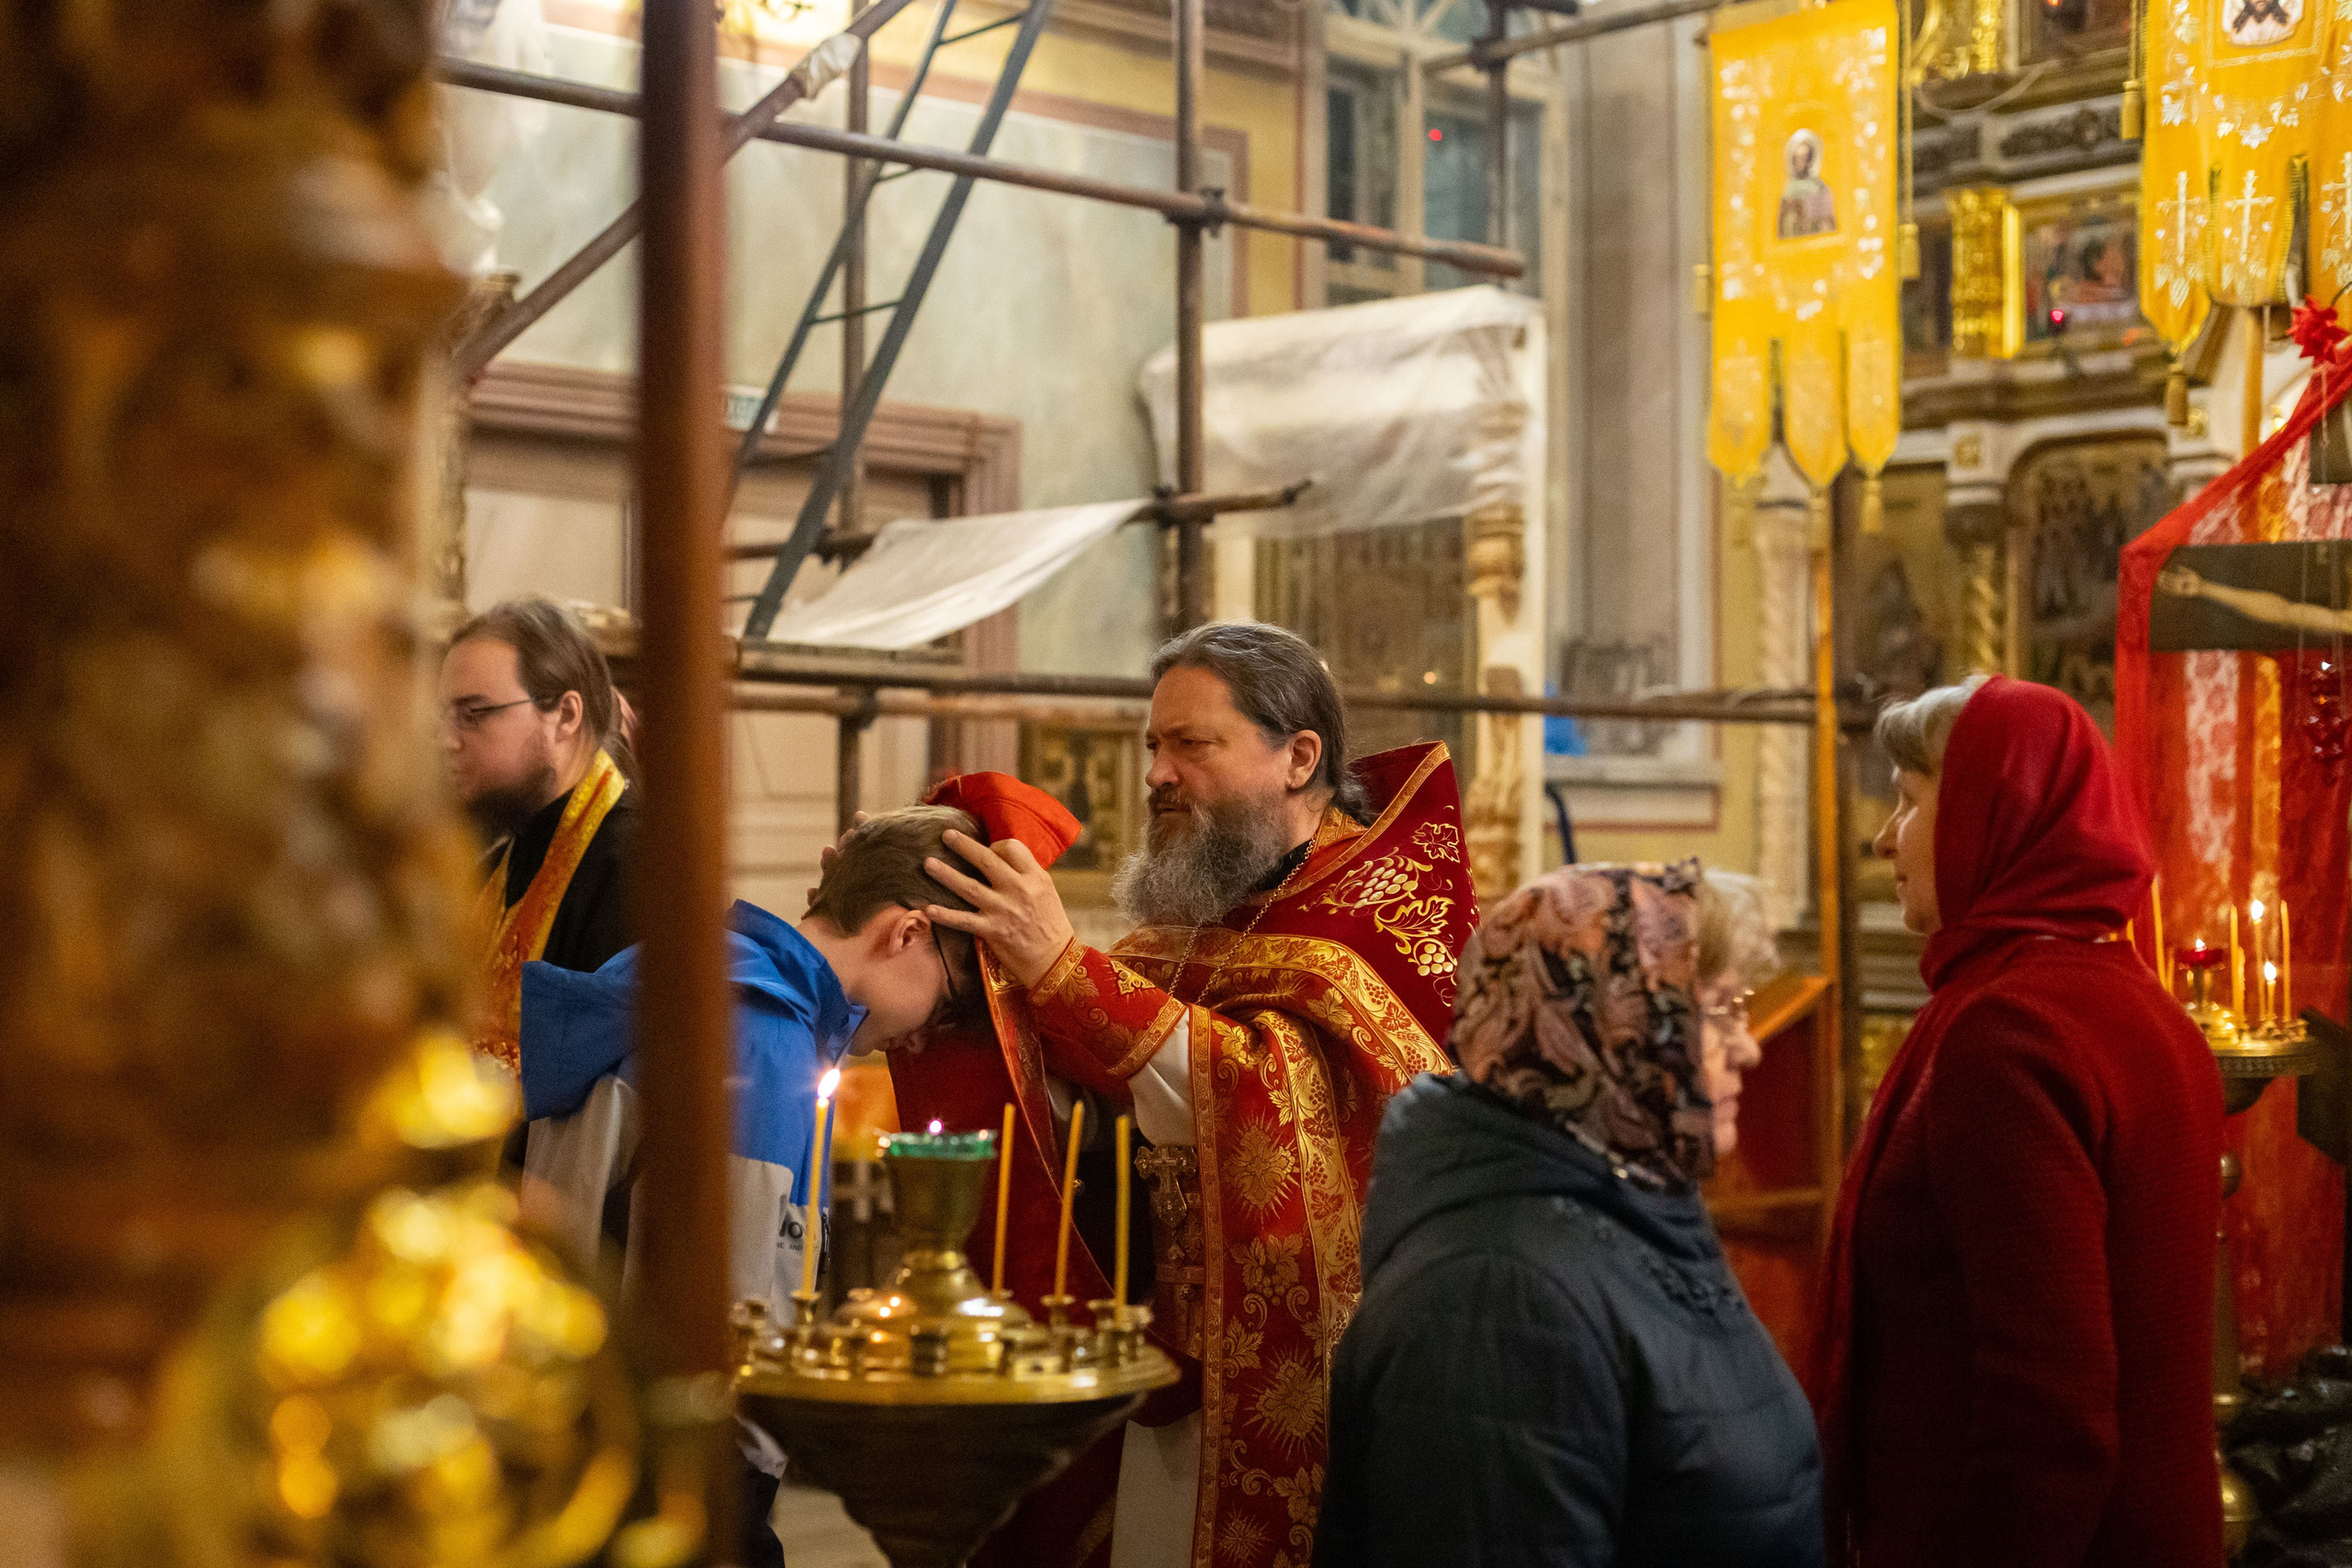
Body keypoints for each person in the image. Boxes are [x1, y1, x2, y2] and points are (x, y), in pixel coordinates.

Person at [907, 622, 1478, 1568]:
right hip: (1154, 1359)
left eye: (1191, 745)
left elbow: (1270, 1090)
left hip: (1300, 1376)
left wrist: (1063, 973)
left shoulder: (1378, 924)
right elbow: (1082, 1099)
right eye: (1152, 746)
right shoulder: (1190, 924)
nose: (1157, 775)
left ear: (1297, 759)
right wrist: (946, 960)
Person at [1815, 674, 2224, 1567]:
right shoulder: (2134, 1004)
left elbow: (2048, 1408)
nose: (1884, 838)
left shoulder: (2008, 1031)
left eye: (1910, 803)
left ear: (1989, 815)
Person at [514, 805, 987, 1568]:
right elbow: (730, 1311)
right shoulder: (762, 1032)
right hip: (676, 1458)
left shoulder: (704, 969)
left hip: (589, 1415)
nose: (928, 1031)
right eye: (950, 999)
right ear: (907, 934)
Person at [1313, 863, 1820, 1568]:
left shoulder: (1634, 1200)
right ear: (1607, 1025)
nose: (1748, 1045)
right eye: (1717, 1010)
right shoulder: (1495, 1296)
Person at [439, 597, 639, 1072]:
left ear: (566, 716)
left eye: (475, 714)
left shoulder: (639, 863)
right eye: (446, 716)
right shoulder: (494, 867)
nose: (449, 739)